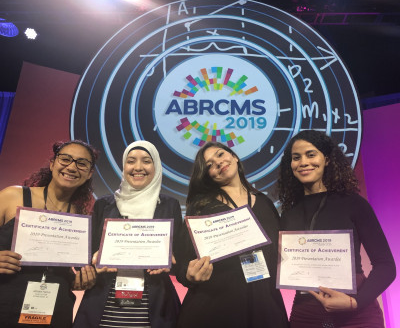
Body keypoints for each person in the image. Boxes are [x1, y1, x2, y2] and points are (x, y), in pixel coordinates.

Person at [278, 130, 396, 328]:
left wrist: (355, 302)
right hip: (306, 316)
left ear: (327, 159)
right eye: (296, 158)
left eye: (311, 154)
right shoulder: (288, 214)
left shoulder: (353, 203)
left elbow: (386, 266)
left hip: (357, 315)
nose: (303, 162)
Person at [175, 142, 289, 328]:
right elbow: (181, 263)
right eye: (209, 165)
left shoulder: (265, 203)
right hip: (215, 309)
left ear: (234, 157)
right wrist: (188, 275)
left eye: (220, 155)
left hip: (264, 306)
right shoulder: (200, 209)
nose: (218, 163)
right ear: (207, 176)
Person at [73, 140, 182, 328]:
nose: (138, 167)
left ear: (156, 166)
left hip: (154, 308)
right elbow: (83, 257)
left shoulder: (170, 206)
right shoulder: (104, 205)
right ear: (124, 166)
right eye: (131, 161)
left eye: (146, 161)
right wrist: (93, 260)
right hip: (104, 308)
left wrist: (170, 261)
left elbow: (179, 257)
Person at [0, 139, 98, 327]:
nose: (71, 167)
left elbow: (67, 272)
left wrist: (79, 280)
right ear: (52, 163)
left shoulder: (80, 219)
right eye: (65, 159)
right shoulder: (13, 196)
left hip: (55, 310)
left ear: (89, 173)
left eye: (81, 163)